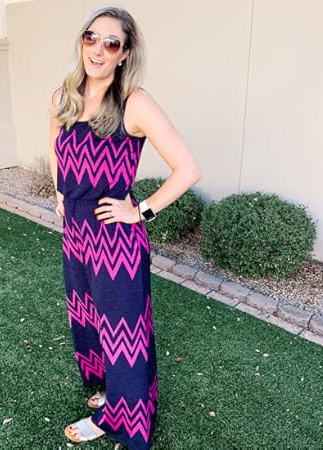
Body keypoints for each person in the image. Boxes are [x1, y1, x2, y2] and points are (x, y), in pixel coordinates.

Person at [48, 6, 202, 449]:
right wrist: (61, 195)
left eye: (111, 43)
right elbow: (56, 146)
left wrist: (141, 211)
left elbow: (188, 169)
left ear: (125, 53)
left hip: (115, 236)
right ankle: (109, 391)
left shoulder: (134, 102)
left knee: (123, 332)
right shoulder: (64, 96)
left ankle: (122, 417)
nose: (98, 49)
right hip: (76, 233)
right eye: (91, 38)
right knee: (88, 317)